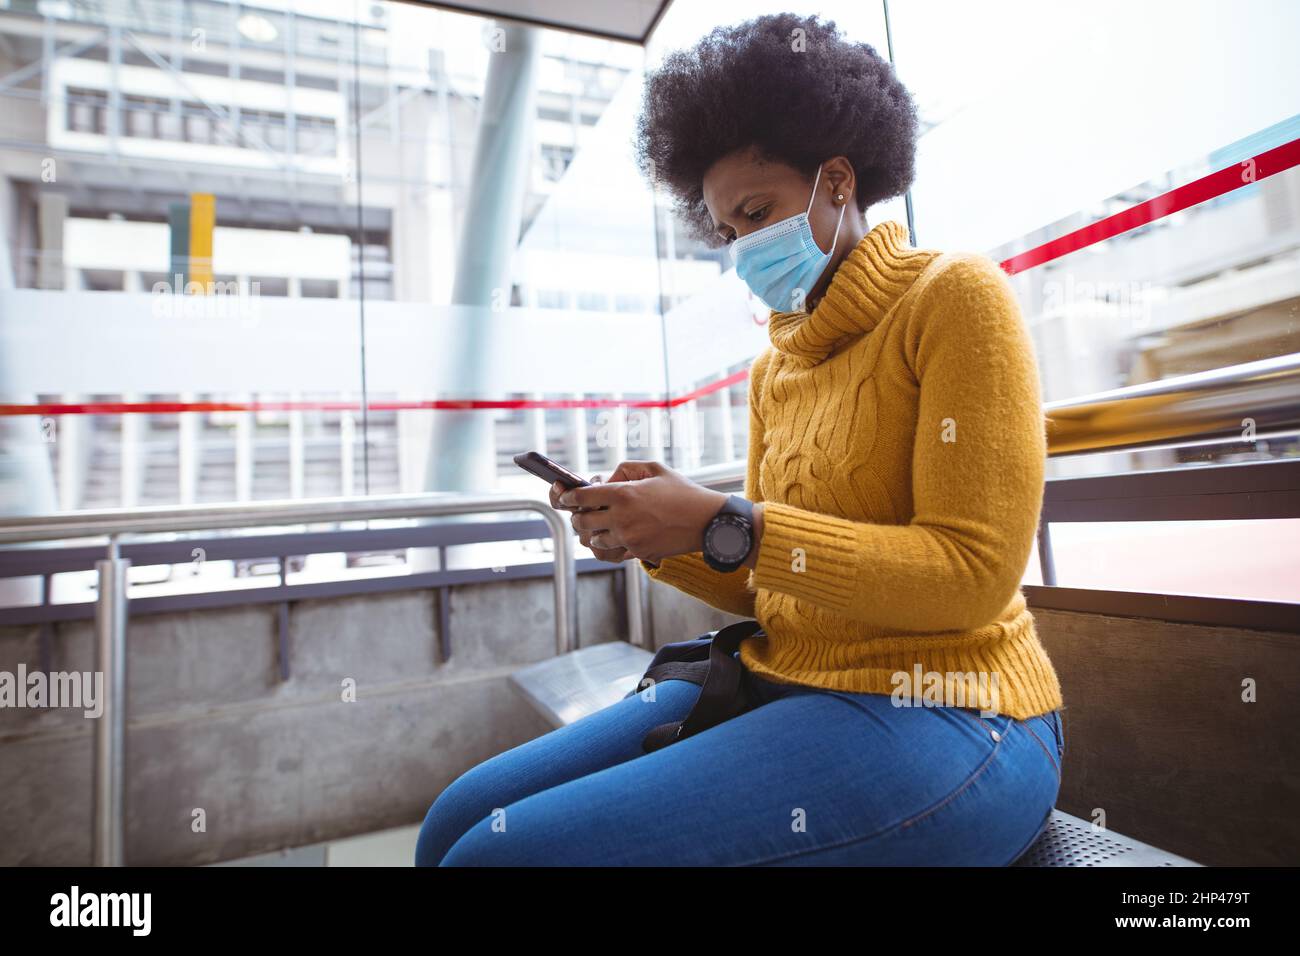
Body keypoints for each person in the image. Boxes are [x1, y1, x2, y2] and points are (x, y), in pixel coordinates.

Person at [415, 12, 1065, 867]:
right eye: (727, 231)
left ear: (837, 180)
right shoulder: (777, 367)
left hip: (957, 713)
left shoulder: (954, 298)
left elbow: (970, 578)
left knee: (494, 861)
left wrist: (731, 522)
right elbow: (776, 595)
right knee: (454, 823)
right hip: (784, 679)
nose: (744, 249)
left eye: (757, 212)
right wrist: (666, 536)